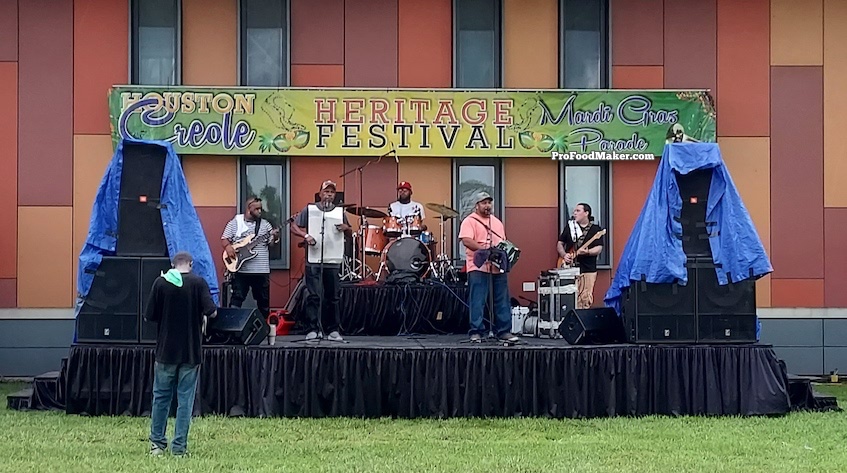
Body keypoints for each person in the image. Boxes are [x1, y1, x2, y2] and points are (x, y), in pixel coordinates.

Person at [144, 251, 217, 457]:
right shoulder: (198, 283)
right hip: (190, 352)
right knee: (185, 402)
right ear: (190, 264)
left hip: (165, 351)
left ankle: (157, 444)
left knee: (160, 398)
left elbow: (150, 316)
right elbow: (212, 311)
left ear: (173, 264)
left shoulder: (160, 283)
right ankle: (179, 448)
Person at [290, 180, 352, 341]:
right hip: (314, 259)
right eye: (326, 192)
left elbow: (350, 232)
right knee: (313, 295)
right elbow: (293, 226)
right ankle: (313, 328)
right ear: (320, 194)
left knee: (333, 296)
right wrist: (306, 236)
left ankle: (332, 329)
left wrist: (346, 228)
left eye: (332, 192)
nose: (329, 195)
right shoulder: (310, 210)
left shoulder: (340, 212)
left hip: (333, 258)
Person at [458, 191, 519, 343]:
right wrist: (484, 251)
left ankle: (504, 331)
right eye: (484, 203)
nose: (487, 206)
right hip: (478, 267)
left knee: (502, 299)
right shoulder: (469, 221)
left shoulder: (497, 222)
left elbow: (502, 242)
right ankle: (476, 331)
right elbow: (466, 240)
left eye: (489, 203)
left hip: (497, 266)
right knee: (477, 300)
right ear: (476, 205)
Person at [220, 197, 279, 320]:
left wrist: (274, 236)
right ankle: (232, 325)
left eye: (260, 209)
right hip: (241, 269)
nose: (259, 211)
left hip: (261, 270)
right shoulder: (235, 223)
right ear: (248, 209)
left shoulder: (265, 225)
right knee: (237, 298)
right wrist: (228, 248)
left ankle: (264, 329)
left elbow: (271, 244)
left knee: (263, 301)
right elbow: (224, 238)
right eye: (256, 208)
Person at [556, 203, 605, 309]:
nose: (574, 213)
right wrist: (564, 255)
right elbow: (560, 243)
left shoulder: (595, 229)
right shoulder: (570, 228)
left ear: (586, 213)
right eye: (574, 211)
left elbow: (599, 248)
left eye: (578, 211)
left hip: (588, 268)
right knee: (569, 297)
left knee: (585, 298)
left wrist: (588, 252)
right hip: (570, 268)